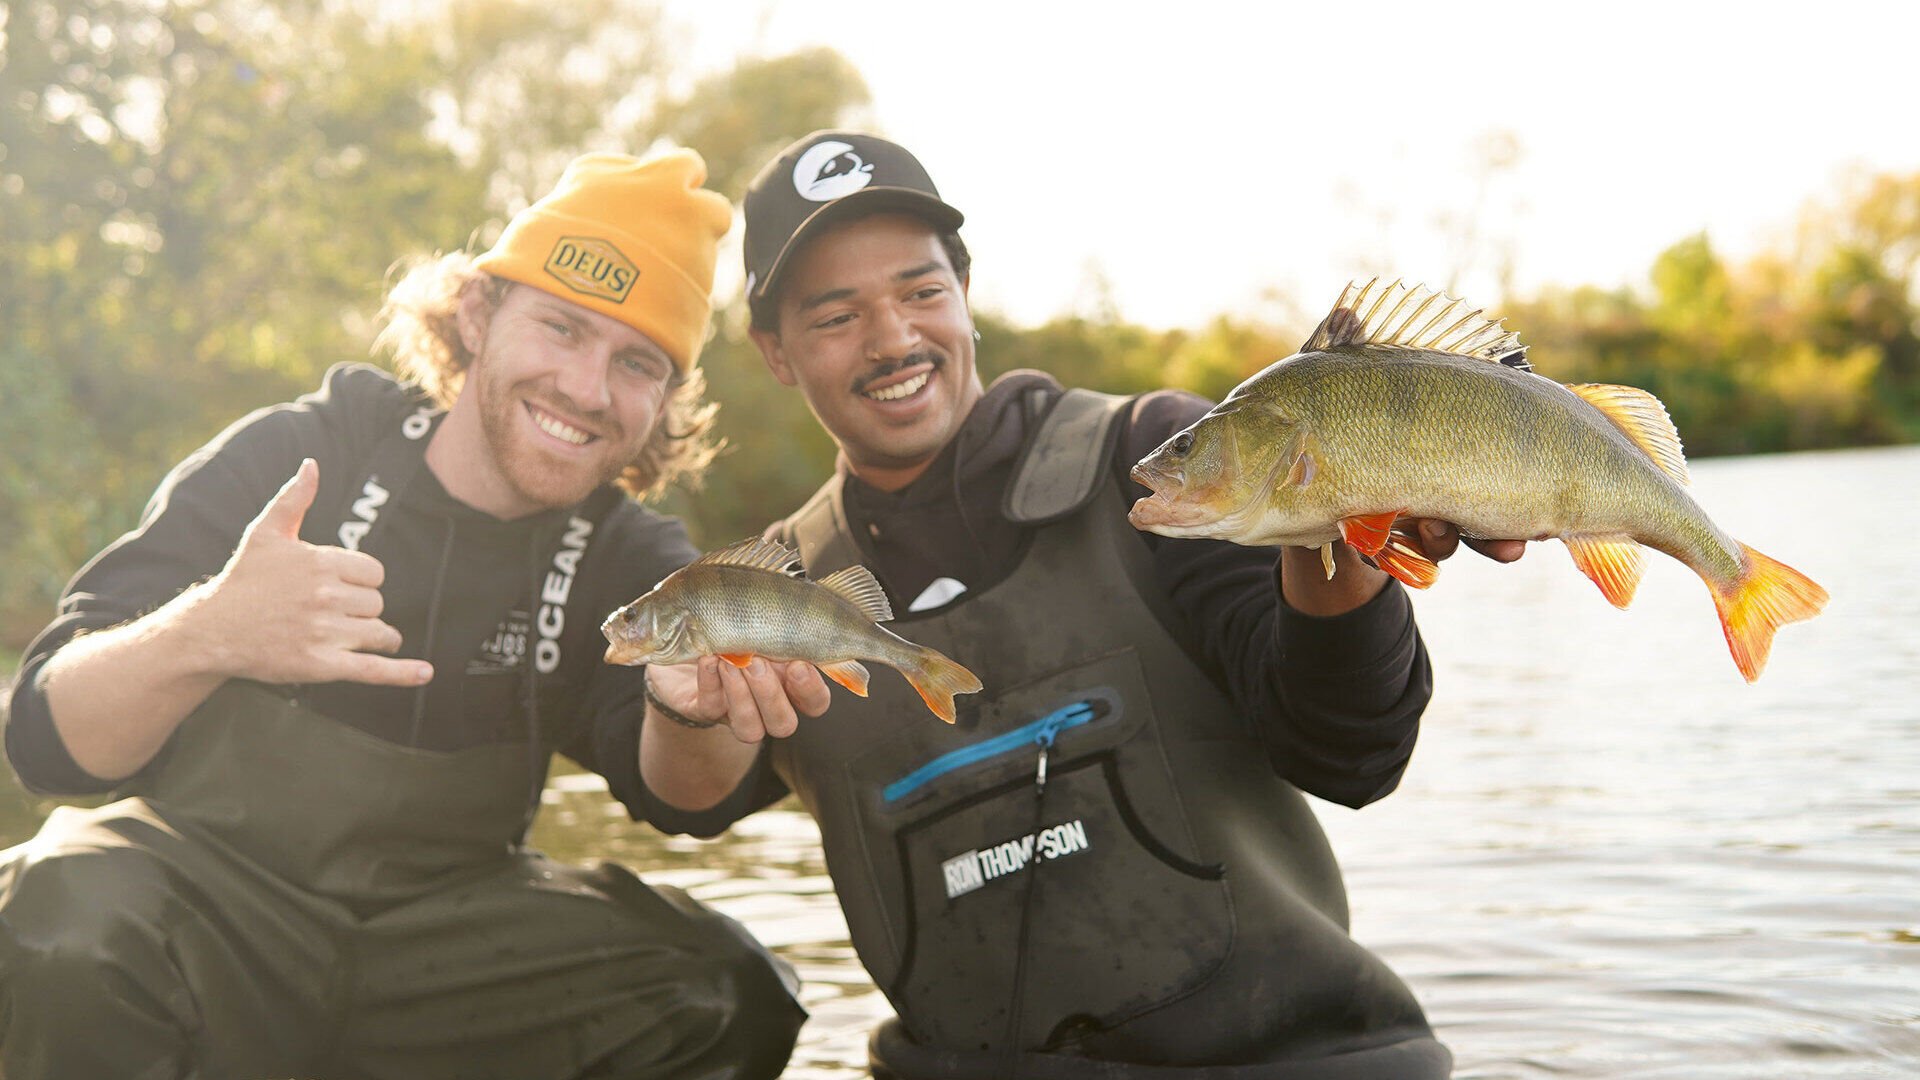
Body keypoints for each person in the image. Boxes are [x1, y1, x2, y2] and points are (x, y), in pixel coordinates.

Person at [634, 131, 1529, 1079]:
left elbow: (1351, 753)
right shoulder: (774, 584)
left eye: (921, 292)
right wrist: (682, 702)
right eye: (836, 316)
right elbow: (689, 799)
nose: (893, 338)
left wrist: (1339, 549)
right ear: (773, 352)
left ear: (965, 296)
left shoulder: (1159, 463)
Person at [0, 149, 807, 1079]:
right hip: (212, 915)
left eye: (636, 362)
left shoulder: (634, 562)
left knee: (726, 989)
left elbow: (687, 802)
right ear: (478, 315)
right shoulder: (304, 453)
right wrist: (208, 631)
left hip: (451, 951)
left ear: (665, 400)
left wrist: (691, 707)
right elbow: (45, 743)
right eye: (562, 328)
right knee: (62, 909)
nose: (587, 390)